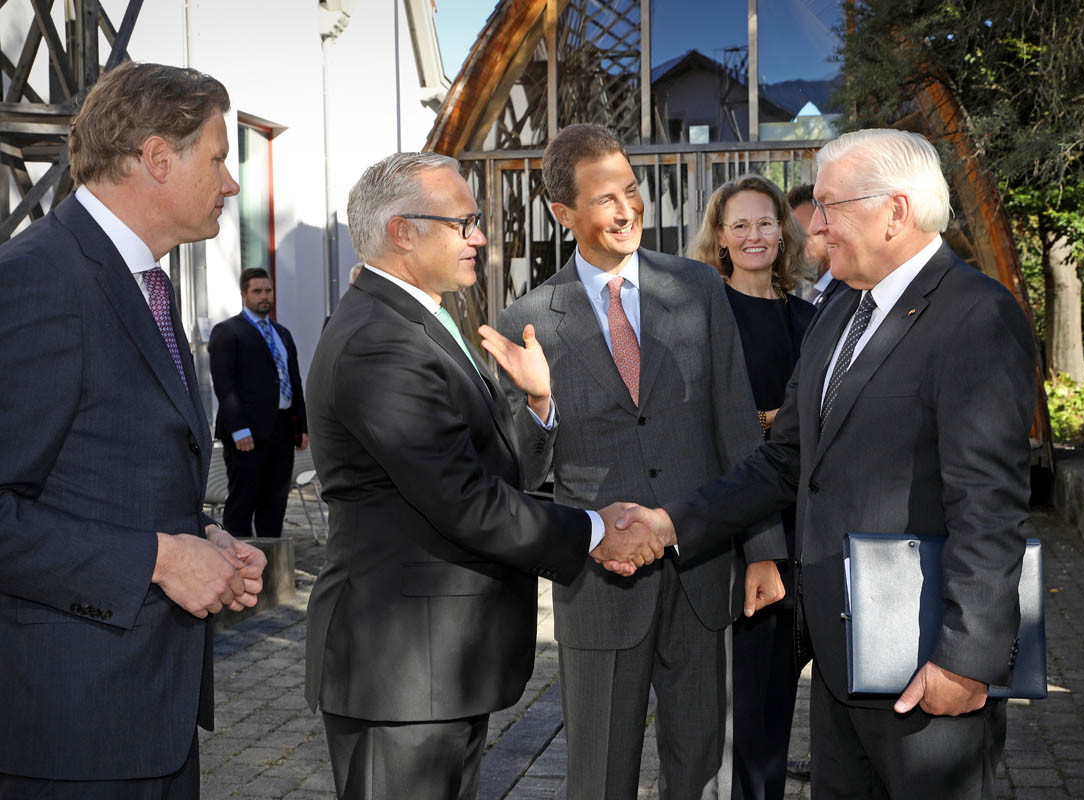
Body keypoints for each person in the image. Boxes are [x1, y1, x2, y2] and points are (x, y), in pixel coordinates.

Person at [618, 128, 1037, 800]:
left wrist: (967, 660)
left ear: (895, 211)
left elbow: (988, 507)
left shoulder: (976, 317)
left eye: (832, 207)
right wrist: (669, 524)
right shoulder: (841, 309)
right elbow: (786, 460)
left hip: (924, 655)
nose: (813, 228)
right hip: (844, 656)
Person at [303, 152, 666, 800]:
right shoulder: (380, 341)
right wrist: (592, 531)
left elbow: (490, 470)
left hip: (441, 669)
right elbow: (464, 501)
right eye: (463, 222)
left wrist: (537, 405)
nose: (479, 237)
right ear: (403, 232)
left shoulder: (424, 320)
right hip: (404, 673)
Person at [480, 123, 788, 799]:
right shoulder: (527, 319)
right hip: (600, 584)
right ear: (563, 214)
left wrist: (763, 551)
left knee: (699, 765)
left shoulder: (699, 289)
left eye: (632, 188)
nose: (627, 209)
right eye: (604, 198)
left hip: (701, 568)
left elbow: (738, 426)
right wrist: (538, 404)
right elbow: (520, 473)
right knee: (598, 774)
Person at [0, 62, 266, 799]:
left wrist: (201, 542)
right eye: (218, 158)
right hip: (70, 738)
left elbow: (99, 473)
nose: (232, 184)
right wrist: (157, 559)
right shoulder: (39, 281)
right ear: (156, 158)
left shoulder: (140, 280)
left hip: (148, 717)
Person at [689, 175, 816, 800]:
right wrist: (764, 423)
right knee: (753, 716)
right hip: (748, 532)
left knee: (789, 703)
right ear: (719, 237)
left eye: (765, 222)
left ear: (783, 231)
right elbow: (710, 429)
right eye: (738, 225)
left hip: (814, 527)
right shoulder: (707, 318)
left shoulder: (812, 317)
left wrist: (772, 420)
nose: (754, 235)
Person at [209, 267, 308, 538]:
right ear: (244, 294)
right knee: (242, 504)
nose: (264, 297)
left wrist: (302, 427)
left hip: (281, 430)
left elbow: (294, 381)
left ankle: (271, 573)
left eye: (268, 291)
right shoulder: (227, 332)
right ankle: (236, 571)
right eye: (257, 291)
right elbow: (224, 385)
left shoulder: (282, 333)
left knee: (274, 505)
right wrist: (239, 428)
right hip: (246, 434)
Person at [787, 184, 842, 311]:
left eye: (804, 236)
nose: (795, 247)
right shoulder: (819, 293)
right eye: (791, 239)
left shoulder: (846, 295)